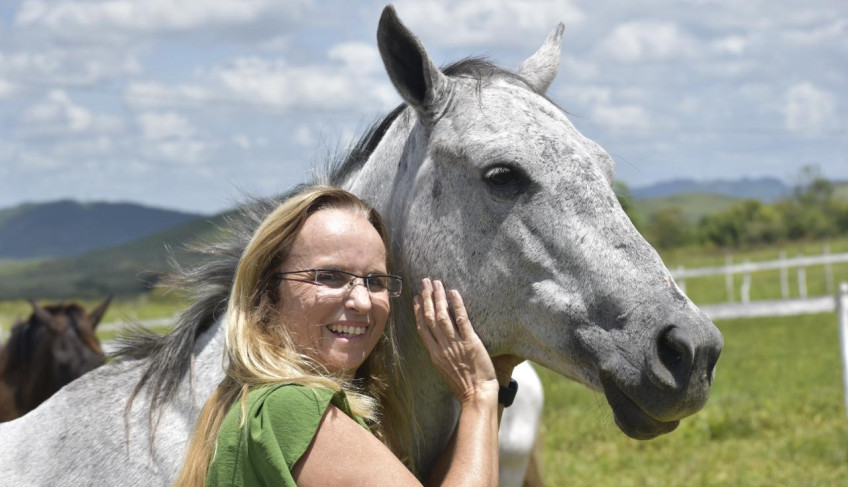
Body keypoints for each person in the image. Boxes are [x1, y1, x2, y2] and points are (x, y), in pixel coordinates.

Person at [174, 186, 517, 486]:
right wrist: (478, 395)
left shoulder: (261, 402)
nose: (362, 301)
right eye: (330, 276)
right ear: (266, 293)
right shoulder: (291, 406)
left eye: (376, 282)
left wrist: (496, 382)